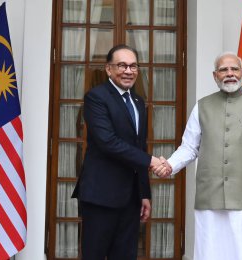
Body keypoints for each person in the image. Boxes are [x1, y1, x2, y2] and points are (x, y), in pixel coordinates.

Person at [154, 52, 242, 260]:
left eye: (234, 69)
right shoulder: (202, 106)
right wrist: (170, 165)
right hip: (211, 200)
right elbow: (189, 147)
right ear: (215, 75)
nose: (229, 73)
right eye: (223, 70)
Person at [72, 44, 163, 260]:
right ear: (108, 69)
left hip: (130, 199)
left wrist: (144, 194)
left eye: (133, 66)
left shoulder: (139, 102)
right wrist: (151, 161)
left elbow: (139, 146)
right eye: (122, 65)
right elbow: (108, 142)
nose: (128, 71)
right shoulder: (96, 98)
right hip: (100, 196)